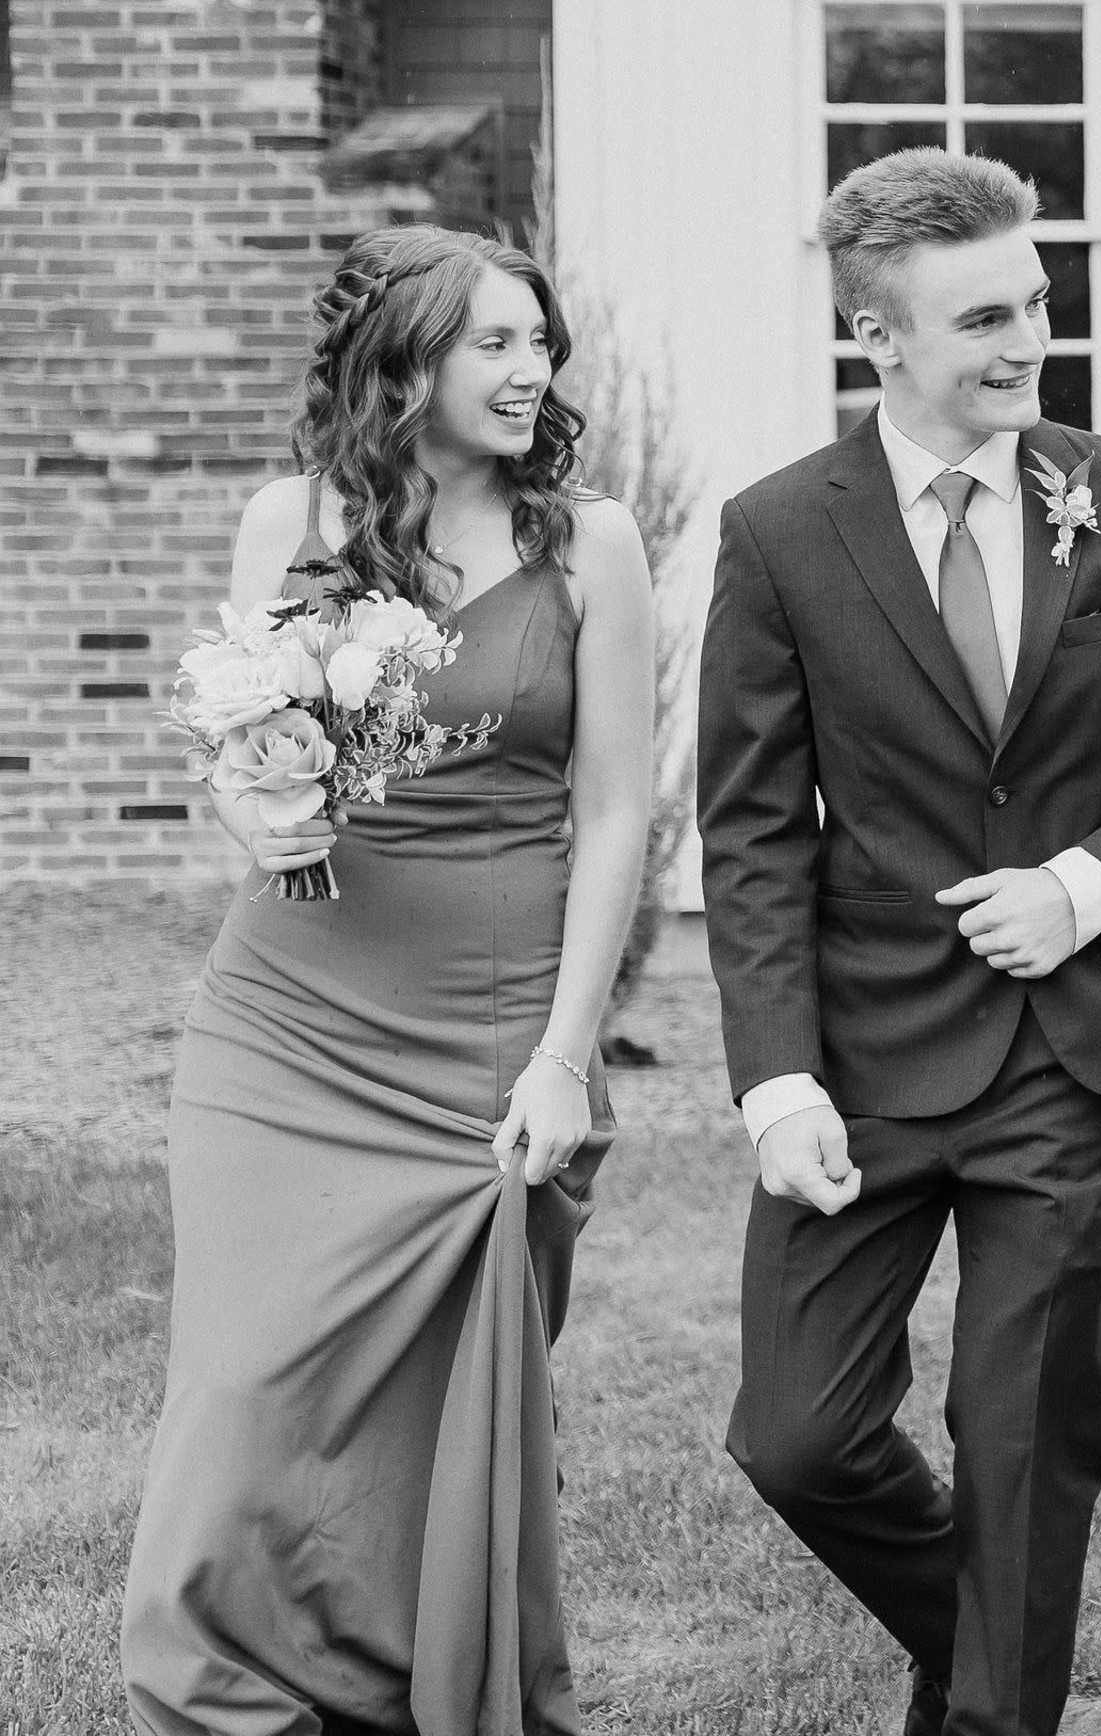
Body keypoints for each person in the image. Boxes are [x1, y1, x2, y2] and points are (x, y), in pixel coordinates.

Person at [700, 148, 1101, 1736]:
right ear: (877, 338)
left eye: (1035, 301)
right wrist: (778, 1086)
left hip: (1071, 1050)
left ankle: (995, 1701)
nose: (1028, 340)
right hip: (866, 1060)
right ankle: (990, 1638)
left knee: (1023, 1438)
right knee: (796, 1438)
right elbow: (751, 833)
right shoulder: (777, 535)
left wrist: (1087, 883)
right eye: (982, 318)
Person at [124, 228, 658, 1734]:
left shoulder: (587, 545)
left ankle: (412, 1687)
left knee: (440, 1419)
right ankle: (223, 1693)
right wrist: (253, 803)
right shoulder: (289, 518)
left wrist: (567, 1055)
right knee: (241, 1395)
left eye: (539, 342)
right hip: (286, 1019)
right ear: (405, 360)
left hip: (494, 1027)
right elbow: (242, 747)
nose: (530, 370)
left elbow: (612, 809)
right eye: (494, 342)